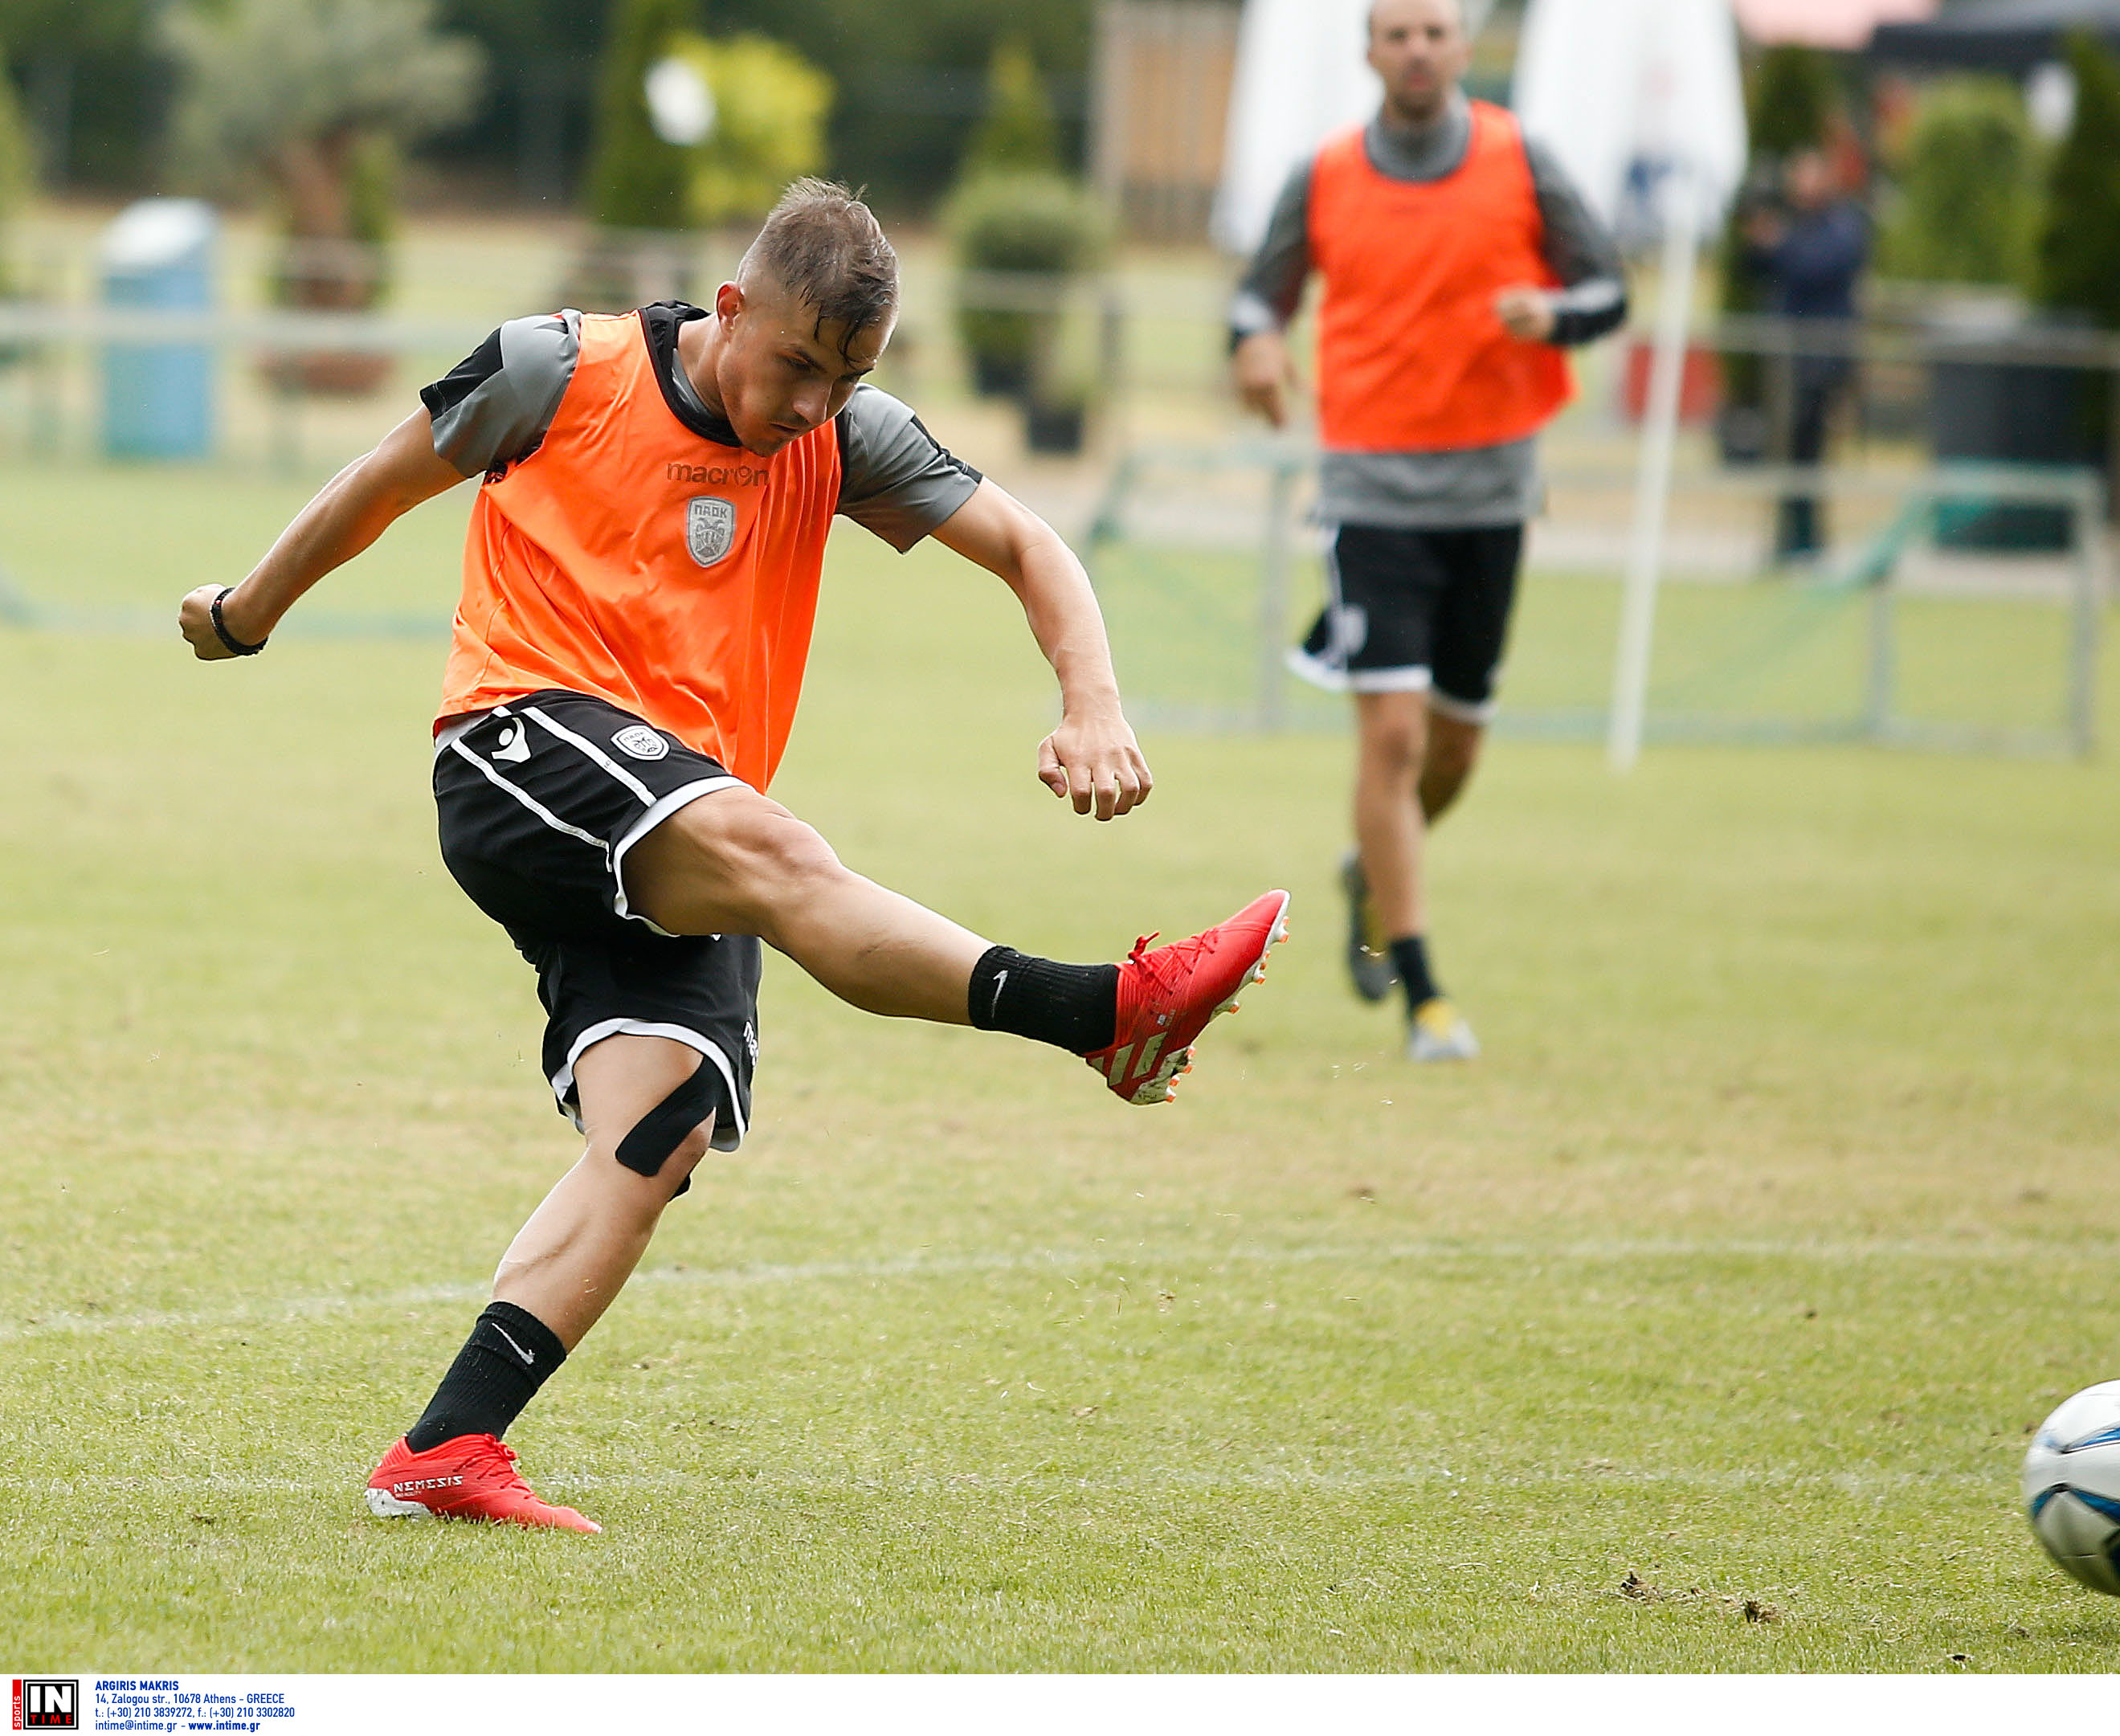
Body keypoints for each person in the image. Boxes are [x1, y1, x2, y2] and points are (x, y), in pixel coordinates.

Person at [178, 180, 1290, 1531]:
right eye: (800, 366)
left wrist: (1094, 700)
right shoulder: (557, 366)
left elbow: (1028, 545)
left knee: (663, 1123)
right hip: (518, 746)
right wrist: (244, 613)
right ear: (732, 309)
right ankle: (1107, 1014)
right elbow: (379, 483)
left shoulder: (847, 439)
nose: (817, 405)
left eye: (851, 377)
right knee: (779, 850)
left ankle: (450, 1444)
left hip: (672, 823)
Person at [1229, 0, 1624, 1061]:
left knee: (1452, 751)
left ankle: (1371, 868)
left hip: (1492, 496)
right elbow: (1254, 298)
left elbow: (1607, 288)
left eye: (1432, 32)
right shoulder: (1321, 174)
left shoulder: (1519, 159)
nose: (1414, 49)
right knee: (1392, 738)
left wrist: (1558, 317)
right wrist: (1256, 344)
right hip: (1367, 494)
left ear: (1462, 47)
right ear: (1368, 51)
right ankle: (1422, 994)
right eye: (1394, 33)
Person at [1742, 145, 1869, 562]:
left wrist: (1779, 245)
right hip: (1786, 361)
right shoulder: (1793, 224)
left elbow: (1817, 266)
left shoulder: (1842, 223)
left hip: (1822, 359)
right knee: (1784, 450)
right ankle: (1787, 536)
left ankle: (1809, 538)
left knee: (1811, 452)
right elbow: (1758, 267)